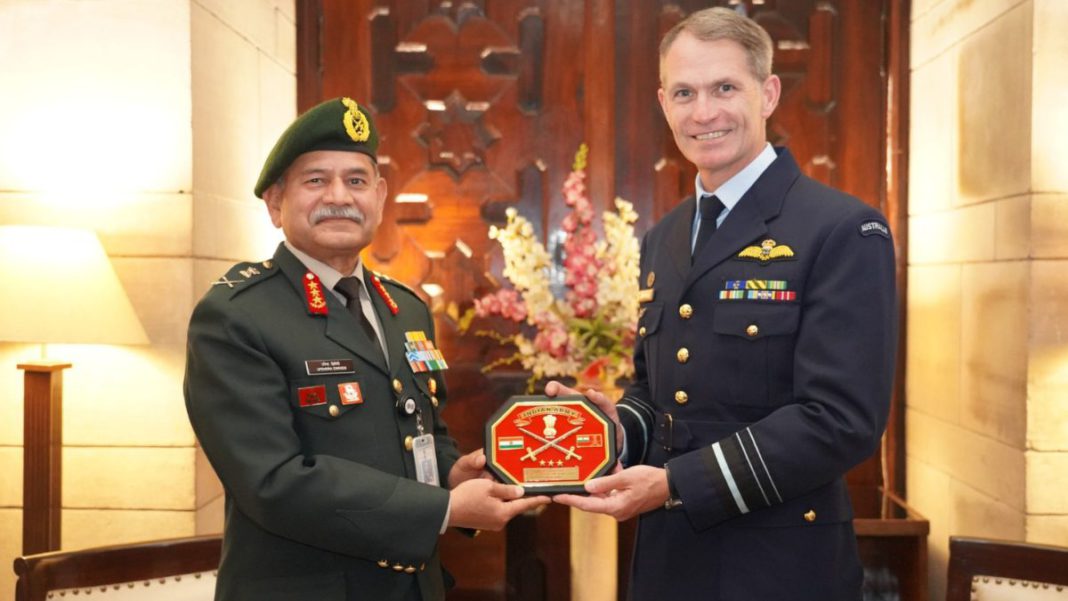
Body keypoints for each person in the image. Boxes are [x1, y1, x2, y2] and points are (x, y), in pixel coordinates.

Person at [551, 7, 897, 600]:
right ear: (663, 104)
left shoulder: (842, 229)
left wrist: (675, 483)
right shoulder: (664, 236)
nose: (703, 112)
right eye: (684, 92)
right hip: (667, 563)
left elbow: (841, 420)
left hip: (778, 566)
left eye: (725, 88)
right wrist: (617, 427)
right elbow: (658, 392)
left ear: (768, 94)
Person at [184, 97, 549, 601]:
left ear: (378, 197)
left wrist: (450, 471)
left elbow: (419, 430)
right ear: (275, 202)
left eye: (356, 180)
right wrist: (443, 510)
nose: (339, 196)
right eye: (316, 180)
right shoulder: (236, 316)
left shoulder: (406, 309)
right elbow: (273, 482)